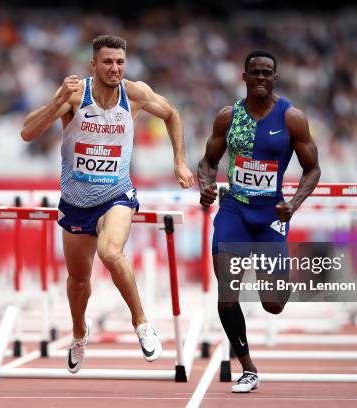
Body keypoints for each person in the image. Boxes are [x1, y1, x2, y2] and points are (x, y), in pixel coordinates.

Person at [21, 34, 194, 373]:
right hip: (74, 201)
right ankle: (79, 334)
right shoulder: (73, 95)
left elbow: (172, 113)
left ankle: (142, 323)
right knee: (79, 281)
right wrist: (56, 101)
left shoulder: (135, 94)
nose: (115, 68)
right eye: (108, 62)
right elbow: (27, 132)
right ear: (93, 64)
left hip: (116, 196)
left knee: (111, 252)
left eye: (120, 62)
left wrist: (179, 161)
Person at [198, 50, 320, 393]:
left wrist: (293, 204)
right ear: (245, 77)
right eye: (256, 72)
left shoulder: (292, 118)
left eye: (268, 72)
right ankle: (248, 368)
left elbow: (313, 168)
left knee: (273, 303)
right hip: (234, 208)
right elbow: (207, 162)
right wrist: (207, 186)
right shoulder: (228, 117)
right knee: (227, 293)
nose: (261, 77)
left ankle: (283, 277)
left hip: (271, 214)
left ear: (275, 78)